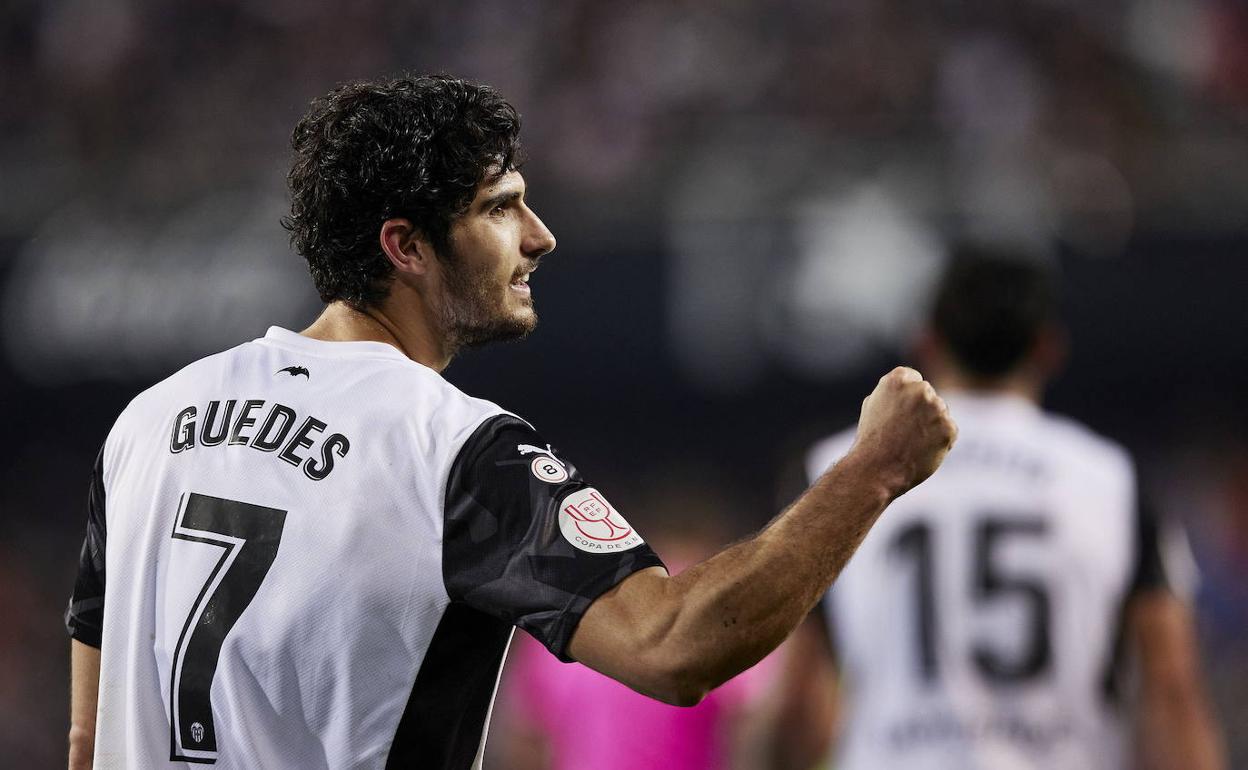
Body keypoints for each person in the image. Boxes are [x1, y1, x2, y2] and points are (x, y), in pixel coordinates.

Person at [63, 74, 957, 770]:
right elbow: (675, 645)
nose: (541, 236)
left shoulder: (145, 426)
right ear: (405, 246)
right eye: (500, 208)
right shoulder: (450, 450)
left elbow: (86, 740)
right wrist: (872, 469)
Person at [775, 246, 1226, 770]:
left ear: (926, 341)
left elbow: (796, 706)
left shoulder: (838, 472)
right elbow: (1172, 691)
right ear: (1048, 348)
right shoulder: (1114, 480)